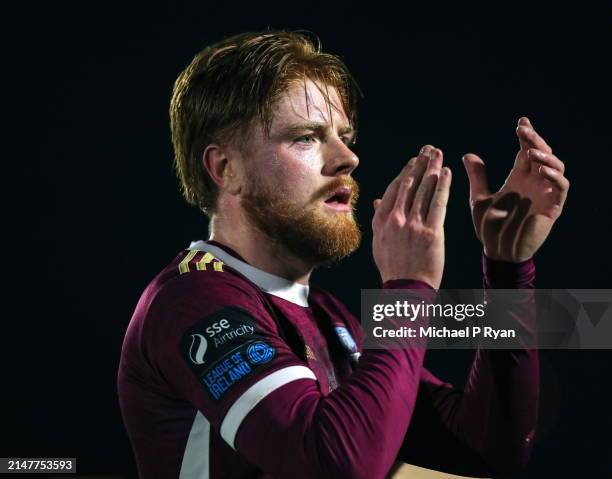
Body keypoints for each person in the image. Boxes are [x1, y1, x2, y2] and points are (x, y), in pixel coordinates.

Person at [117, 30, 570, 479]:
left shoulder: (328, 316)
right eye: (306, 137)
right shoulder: (191, 300)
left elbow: (489, 449)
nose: (347, 158)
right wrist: (409, 287)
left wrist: (507, 270)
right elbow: (336, 465)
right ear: (225, 169)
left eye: (344, 136)